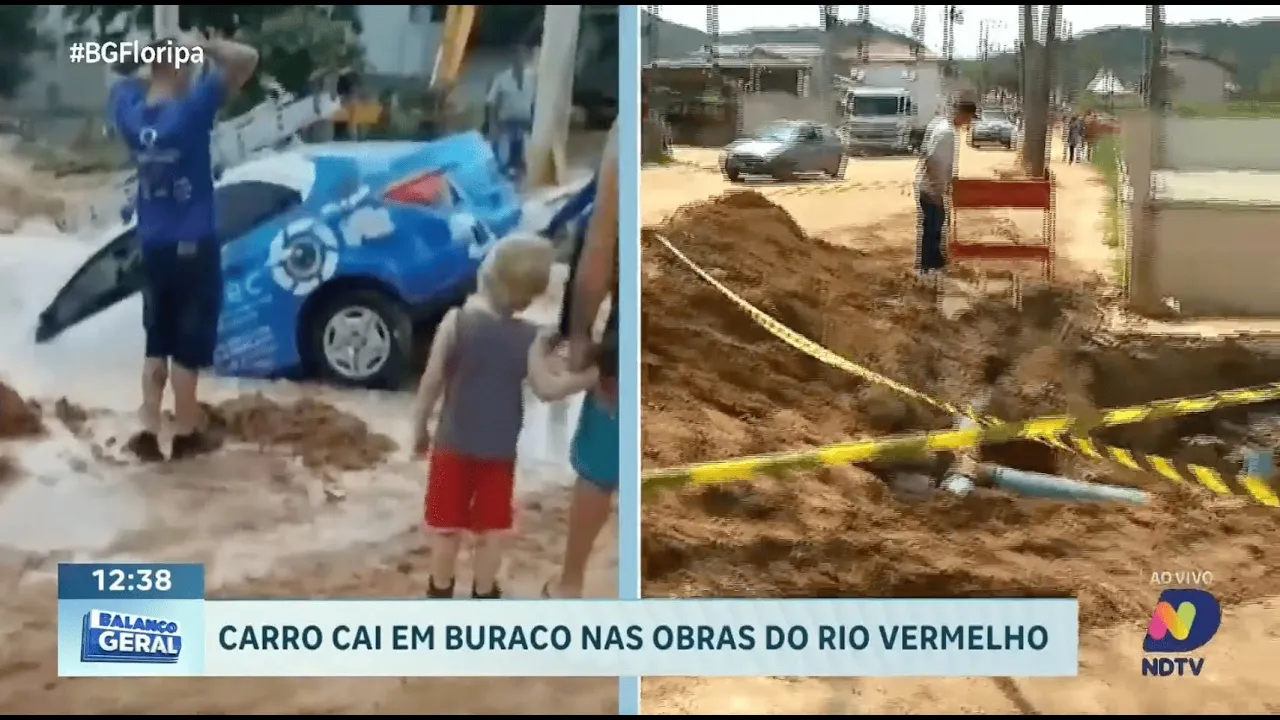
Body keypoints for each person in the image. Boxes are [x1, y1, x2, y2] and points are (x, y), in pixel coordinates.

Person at [413, 235, 601, 599]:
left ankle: (439, 592)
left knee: (446, 528)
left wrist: (420, 427)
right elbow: (547, 388)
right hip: (498, 455)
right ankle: (484, 593)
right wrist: (592, 376)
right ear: (528, 296)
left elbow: (431, 381)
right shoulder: (530, 338)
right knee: (492, 529)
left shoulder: (456, 322)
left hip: (451, 446)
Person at [109, 32, 259, 462]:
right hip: (193, 246)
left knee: (156, 341)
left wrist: (152, 50)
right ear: (176, 69)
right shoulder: (191, 112)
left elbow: (118, 68)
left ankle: (149, 427)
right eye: (189, 68)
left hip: (153, 246)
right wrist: (201, 44)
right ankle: (188, 431)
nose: (195, 74)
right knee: (188, 347)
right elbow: (247, 57)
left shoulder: (129, 114)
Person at [544, 119, 619, 600]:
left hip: (626, 343)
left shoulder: (622, 134)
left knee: (600, 464)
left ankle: (570, 584)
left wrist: (577, 338)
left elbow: (599, 250)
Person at [915, 100, 975, 282]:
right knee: (933, 227)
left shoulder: (942, 125)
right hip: (931, 187)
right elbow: (933, 160)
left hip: (928, 185)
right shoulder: (946, 133)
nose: (969, 123)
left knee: (936, 224)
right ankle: (927, 267)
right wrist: (937, 190)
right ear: (963, 115)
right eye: (969, 119)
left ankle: (934, 264)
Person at [485, 45, 537, 180]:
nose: (519, 61)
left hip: (526, 119)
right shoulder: (502, 78)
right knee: (505, 143)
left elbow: (537, 100)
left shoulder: (532, 78)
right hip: (507, 120)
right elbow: (491, 102)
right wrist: (493, 125)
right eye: (516, 58)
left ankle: (520, 167)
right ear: (512, 60)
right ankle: (506, 168)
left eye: (521, 58)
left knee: (525, 143)